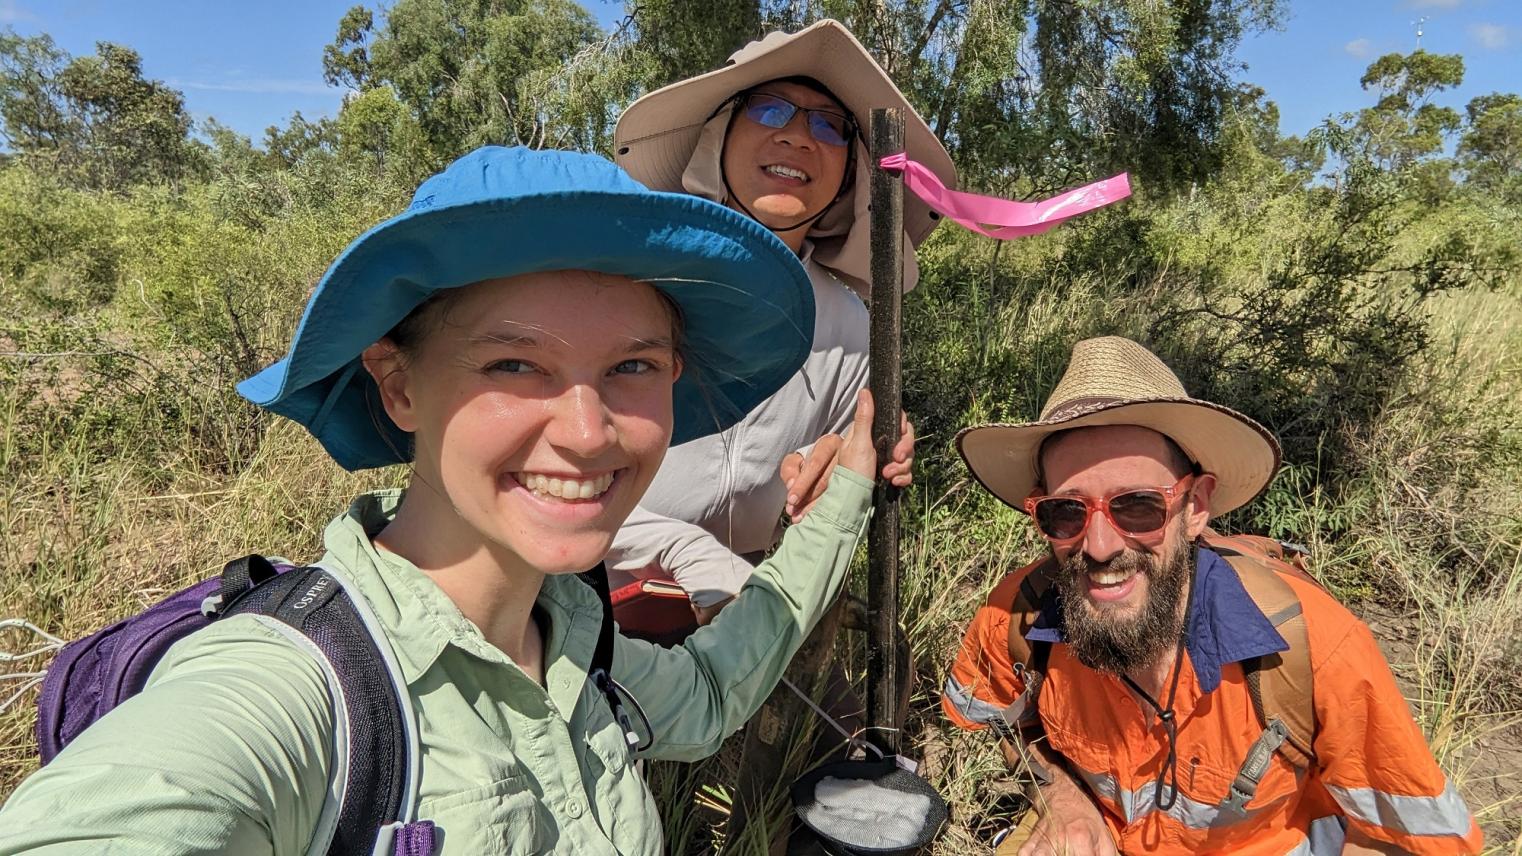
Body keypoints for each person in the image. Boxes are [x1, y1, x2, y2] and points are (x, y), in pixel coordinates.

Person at [0, 146, 902, 855]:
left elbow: (709, 693)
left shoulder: (577, 645)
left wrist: (846, 492)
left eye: (633, 366)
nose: (588, 432)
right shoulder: (299, 694)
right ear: (398, 388)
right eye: (513, 364)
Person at [941, 336, 1483, 855]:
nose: (1100, 547)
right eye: (1067, 512)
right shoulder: (1017, 614)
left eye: (1137, 506)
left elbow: (1415, 838)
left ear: (1196, 506)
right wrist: (1062, 794)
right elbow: (990, 728)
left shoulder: (1313, 646)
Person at [609, 19, 956, 622]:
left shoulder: (849, 324)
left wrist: (856, 461)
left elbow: (832, 467)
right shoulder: (629, 283)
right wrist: (686, 552)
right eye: (770, 111)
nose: (798, 137)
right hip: (595, 587)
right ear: (718, 136)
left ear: (852, 170)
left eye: (830, 126)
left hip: (748, 600)